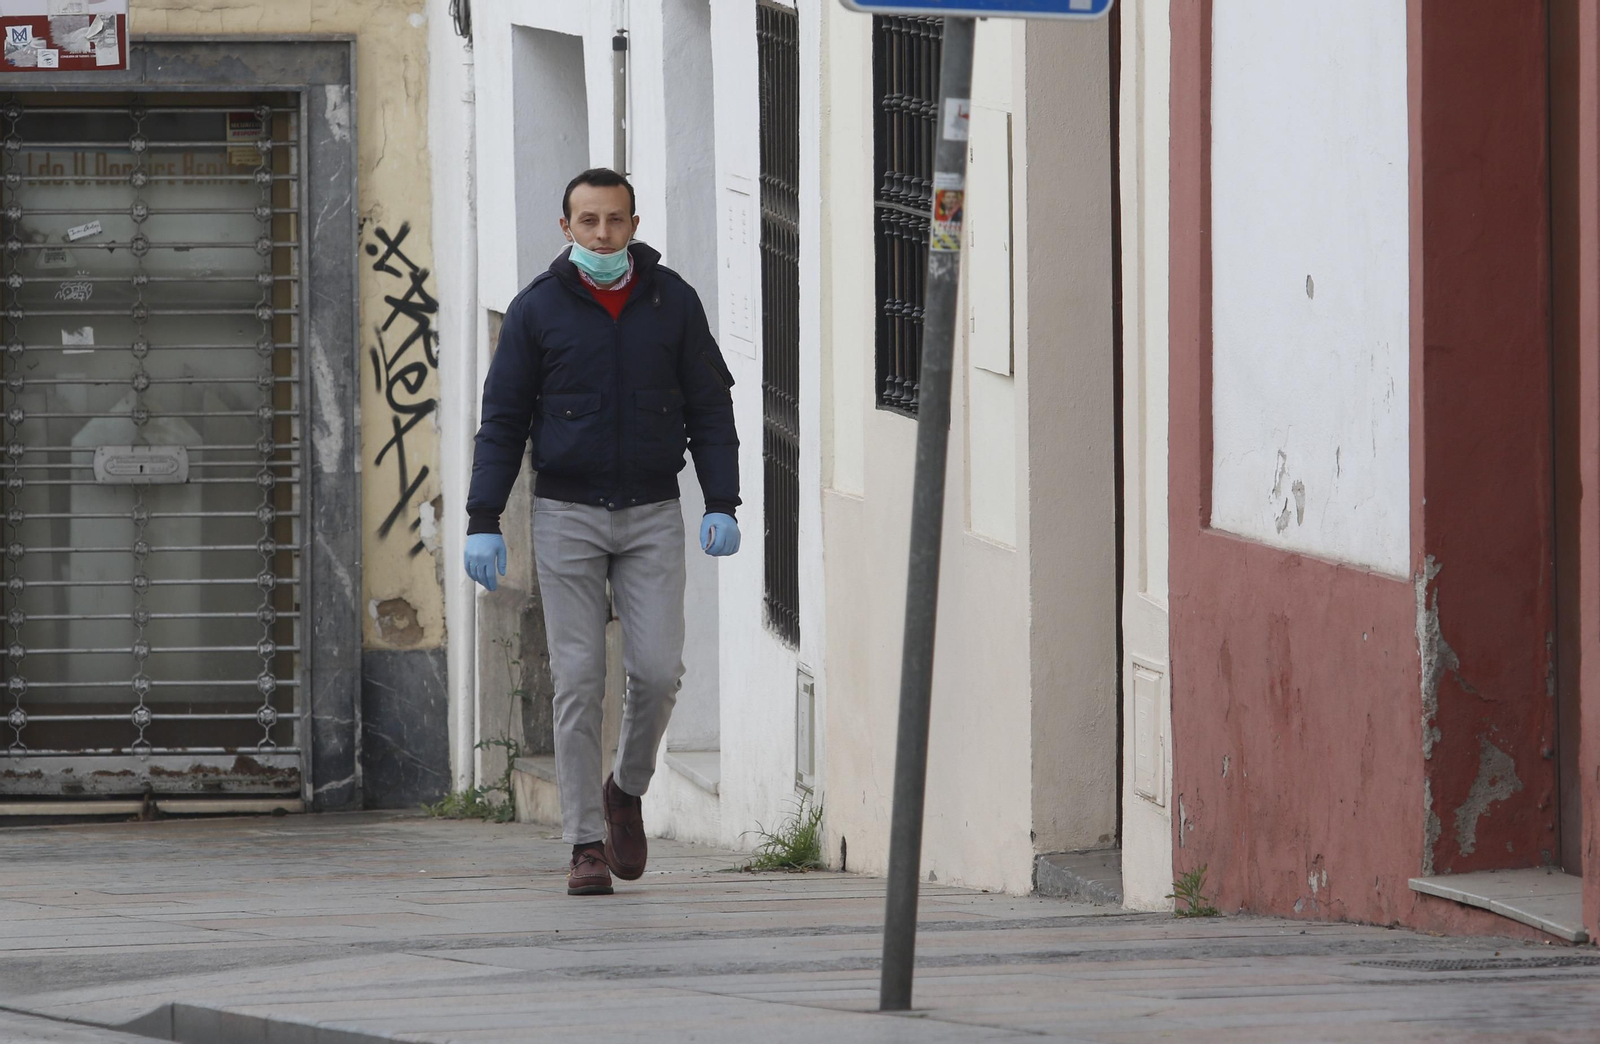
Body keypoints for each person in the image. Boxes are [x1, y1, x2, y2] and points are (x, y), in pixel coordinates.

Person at [463, 168, 740, 896]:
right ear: (566, 228)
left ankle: (627, 789)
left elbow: (711, 409)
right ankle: (585, 840)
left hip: (652, 513)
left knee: (656, 670)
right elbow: (501, 424)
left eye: (614, 221)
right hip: (566, 515)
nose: (602, 234)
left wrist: (722, 501)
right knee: (579, 681)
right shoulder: (536, 311)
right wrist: (482, 519)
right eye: (587, 221)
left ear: (635, 223)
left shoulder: (671, 302)